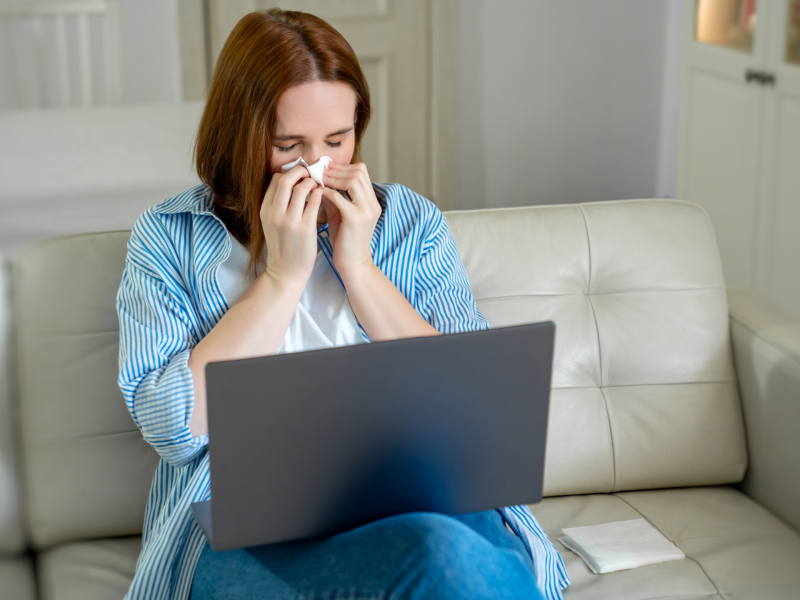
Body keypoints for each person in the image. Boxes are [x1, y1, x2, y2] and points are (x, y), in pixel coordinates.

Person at [116, 9, 569, 600]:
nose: (318, 166)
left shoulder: (408, 223)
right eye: (288, 146)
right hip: (244, 522)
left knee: (447, 554)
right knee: (445, 564)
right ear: (240, 137)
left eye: (337, 139)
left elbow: (468, 410)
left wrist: (360, 271)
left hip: (412, 500)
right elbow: (175, 428)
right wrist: (280, 278)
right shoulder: (168, 236)